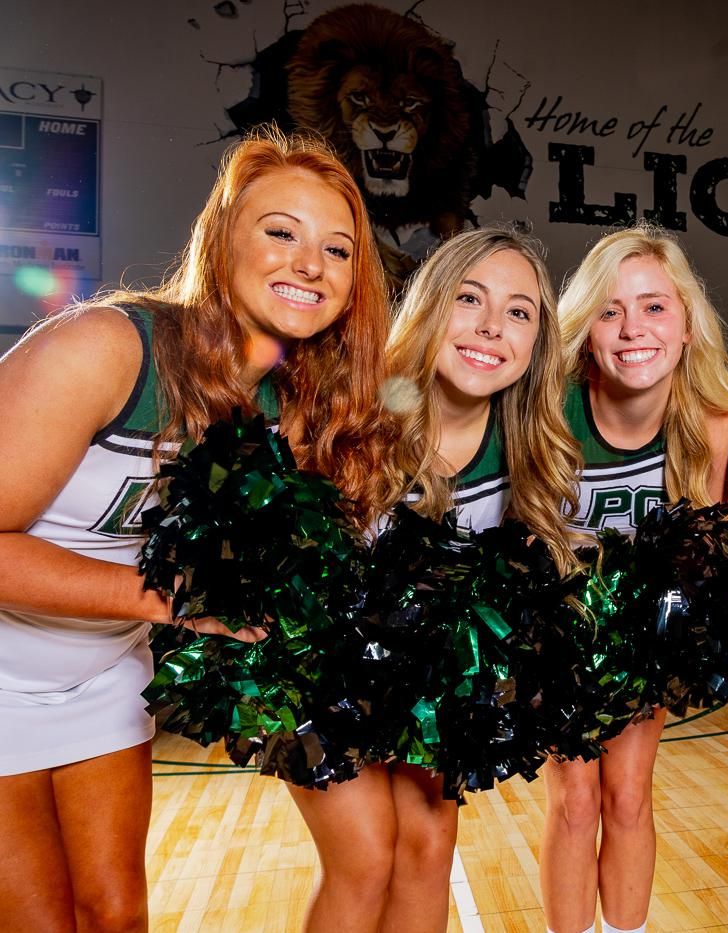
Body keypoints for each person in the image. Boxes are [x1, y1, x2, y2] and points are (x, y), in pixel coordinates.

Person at [0, 127, 399, 932]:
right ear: (222, 241)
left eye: (337, 249)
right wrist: (178, 598)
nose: (311, 264)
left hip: (103, 668)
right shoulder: (108, 348)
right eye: (281, 232)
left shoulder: (290, 409)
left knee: (117, 913)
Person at [282, 226, 581, 933]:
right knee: (364, 857)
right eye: (469, 299)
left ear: (537, 342)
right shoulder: (353, 410)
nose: (491, 326)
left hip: (425, 681)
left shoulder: (530, 446)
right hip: (314, 666)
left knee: (427, 845)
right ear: (430, 306)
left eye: (518, 312)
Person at [542, 224, 728, 933]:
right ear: (585, 332)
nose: (633, 329)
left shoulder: (716, 422)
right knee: (575, 801)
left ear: (687, 323)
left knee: (628, 794)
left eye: (655, 306)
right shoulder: (549, 411)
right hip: (559, 627)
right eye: (610, 310)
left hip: (645, 634)